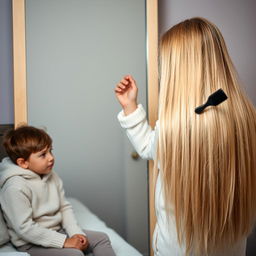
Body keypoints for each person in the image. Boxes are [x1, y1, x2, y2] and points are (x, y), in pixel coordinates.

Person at [115, 17, 256, 256]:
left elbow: (149, 147)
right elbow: (153, 146)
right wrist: (130, 106)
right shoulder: (246, 119)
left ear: (178, 73)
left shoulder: (173, 129)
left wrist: (130, 107)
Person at [0, 125, 116, 256]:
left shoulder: (51, 175)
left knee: (101, 238)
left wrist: (75, 233)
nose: (51, 157)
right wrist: (64, 242)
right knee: (74, 254)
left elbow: (64, 207)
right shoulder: (15, 187)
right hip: (31, 242)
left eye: (50, 151)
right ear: (23, 163)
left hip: (58, 231)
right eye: (43, 155)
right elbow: (25, 228)